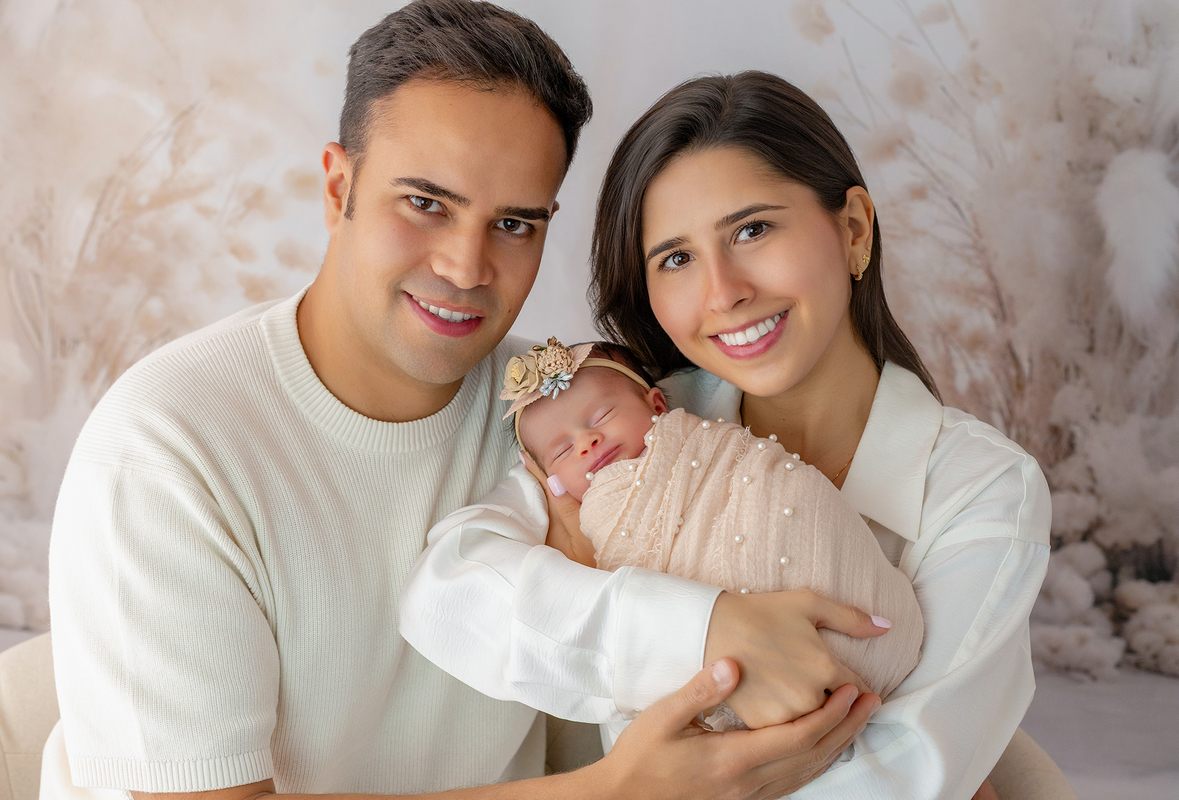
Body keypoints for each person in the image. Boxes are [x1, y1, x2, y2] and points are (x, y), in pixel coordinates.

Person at [42, 4, 882, 800]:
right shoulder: (166, 449)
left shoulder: (563, 411)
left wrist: (935, 751)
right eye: (425, 204)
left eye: (514, 224)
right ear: (338, 189)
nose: (466, 265)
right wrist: (619, 791)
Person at [398, 70, 1050, 799]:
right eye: (675, 258)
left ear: (854, 229)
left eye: (753, 229)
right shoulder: (634, 426)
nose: (723, 292)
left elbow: (910, 774)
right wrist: (706, 632)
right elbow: (450, 595)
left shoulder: (982, 488)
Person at [490, 337, 926, 736]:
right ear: (549, 480)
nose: (587, 443)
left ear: (657, 406)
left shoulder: (702, 442)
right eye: (562, 451)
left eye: (602, 416)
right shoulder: (582, 530)